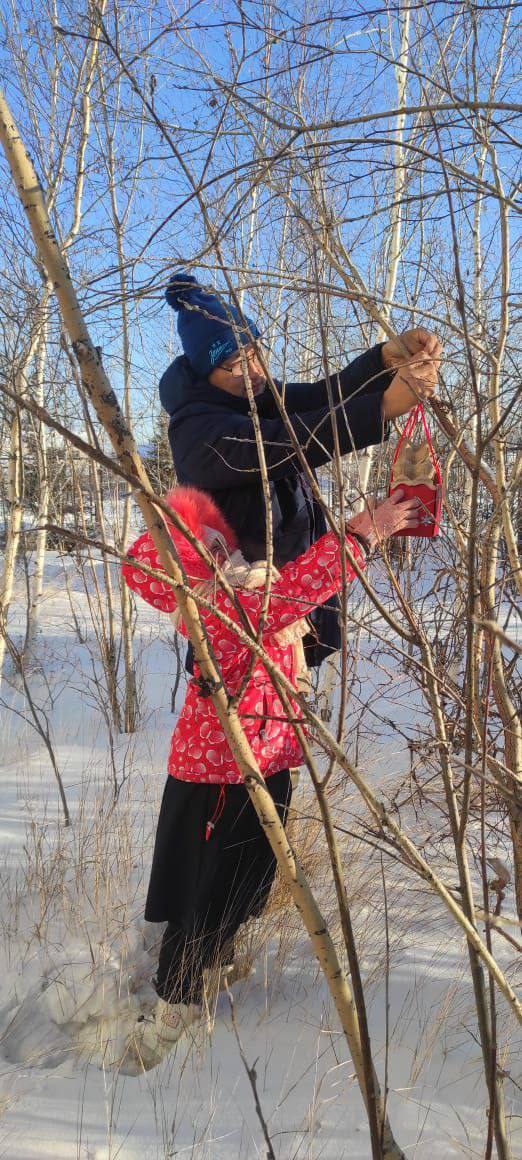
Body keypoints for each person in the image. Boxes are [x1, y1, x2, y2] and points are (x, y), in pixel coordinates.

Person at [121, 481, 422, 1071]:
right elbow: (295, 588)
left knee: (241, 889)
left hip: (263, 764)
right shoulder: (219, 608)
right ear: (186, 567)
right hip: (222, 778)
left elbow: (283, 596)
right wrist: (366, 530)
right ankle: (173, 1008)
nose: (221, 552)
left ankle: (204, 972)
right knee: (202, 900)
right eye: (203, 549)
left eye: (218, 542)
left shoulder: (249, 594)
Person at [158, 272, 441, 670]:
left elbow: (324, 395)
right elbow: (287, 445)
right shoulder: (196, 429)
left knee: (291, 726)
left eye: (256, 353)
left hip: (287, 616)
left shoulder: (253, 397)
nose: (255, 371)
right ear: (208, 374)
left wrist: (382, 362)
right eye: (238, 364)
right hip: (244, 635)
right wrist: (382, 408)